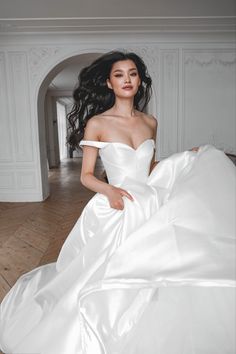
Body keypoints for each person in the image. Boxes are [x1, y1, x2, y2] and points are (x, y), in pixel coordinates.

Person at [0, 51, 235, 354]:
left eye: (133, 73)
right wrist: (109, 191)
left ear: (140, 80)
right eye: (119, 74)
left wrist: (184, 158)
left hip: (150, 203)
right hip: (116, 207)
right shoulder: (98, 123)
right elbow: (86, 176)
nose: (127, 80)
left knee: (154, 267)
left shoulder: (150, 121)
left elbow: (148, 169)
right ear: (109, 83)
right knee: (107, 270)